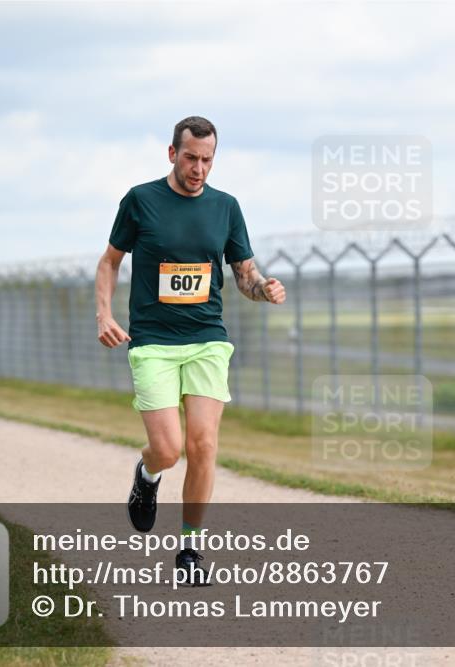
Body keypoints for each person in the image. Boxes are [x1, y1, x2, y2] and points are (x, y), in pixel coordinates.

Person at [95, 116, 285, 585]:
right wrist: (104, 314)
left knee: (203, 446)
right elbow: (110, 262)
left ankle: (190, 549)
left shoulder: (226, 207)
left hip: (207, 340)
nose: (199, 169)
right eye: (190, 158)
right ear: (172, 154)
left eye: (207, 160)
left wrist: (264, 289)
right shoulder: (140, 200)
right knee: (168, 449)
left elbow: (244, 273)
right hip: (153, 343)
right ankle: (147, 473)